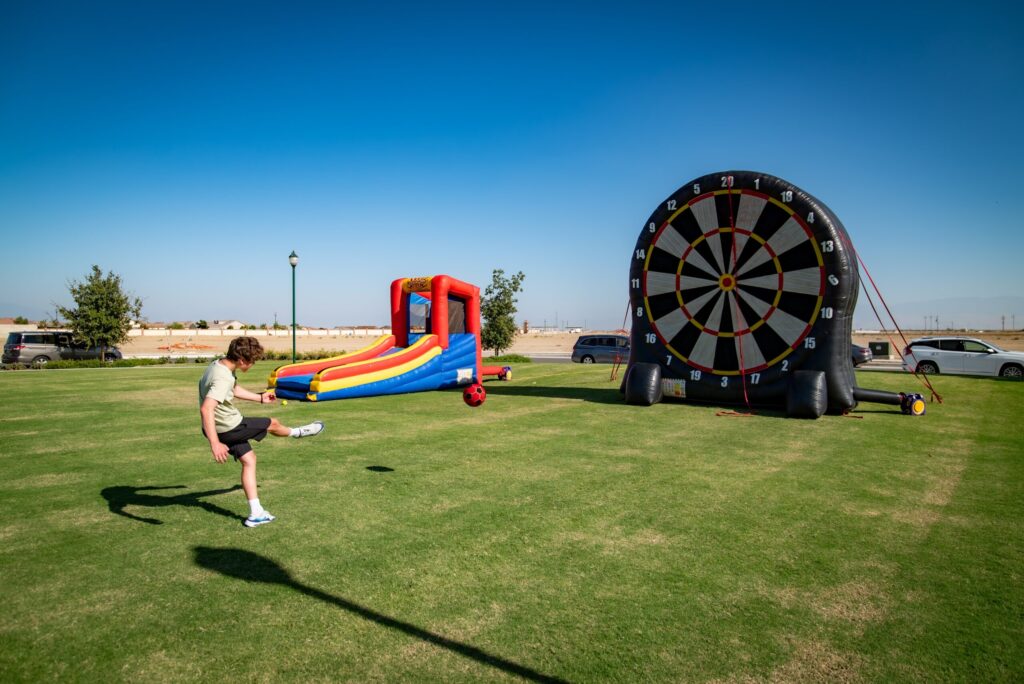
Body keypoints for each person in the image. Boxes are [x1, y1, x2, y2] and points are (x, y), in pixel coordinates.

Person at [199, 336, 324, 527]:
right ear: (242, 360)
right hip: (229, 427)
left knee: (249, 461)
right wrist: (215, 444)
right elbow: (207, 408)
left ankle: (256, 513)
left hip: (218, 428)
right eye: (252, 361)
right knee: (272, 423)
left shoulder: (218, 365)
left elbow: (234, 390)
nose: (253, 364)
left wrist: (260, 399)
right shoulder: (223, 376)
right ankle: (299, 432)